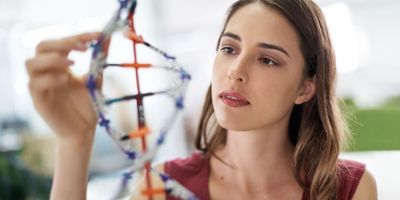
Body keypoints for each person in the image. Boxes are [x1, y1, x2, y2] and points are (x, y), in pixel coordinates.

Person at [25, 0, 378, 199]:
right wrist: (75, 142)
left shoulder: (350, 189)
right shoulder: (162, 188)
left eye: (267, 59)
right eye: (229, 48)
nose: (235, 72)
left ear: (306, 88)